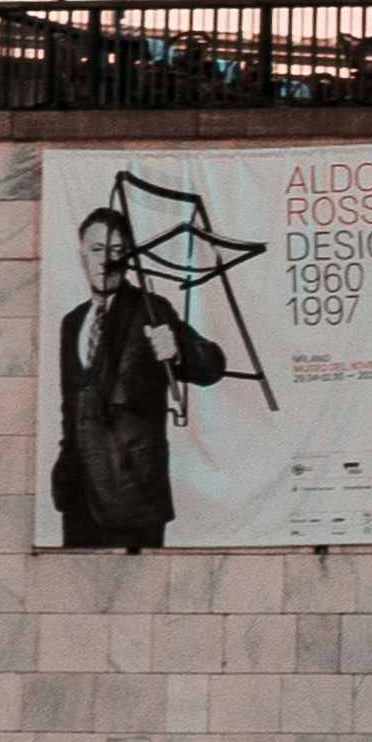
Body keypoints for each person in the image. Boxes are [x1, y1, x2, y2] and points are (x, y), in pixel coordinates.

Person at [50, 197, 228, 549]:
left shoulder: (150, 307)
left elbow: (212, 365)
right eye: (97, 248)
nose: (107, 259)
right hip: (79, 496)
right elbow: (71, 409)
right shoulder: (72, 322)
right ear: (82, 254)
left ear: (129, 256)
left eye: (117, 249)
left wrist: (177, 348)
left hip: (133, 497)